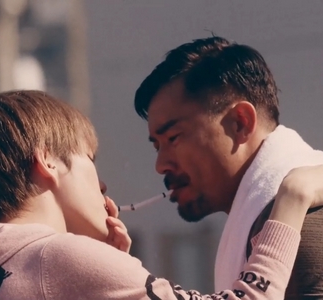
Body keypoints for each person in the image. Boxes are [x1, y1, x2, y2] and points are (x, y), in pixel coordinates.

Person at [0, 90, 320, 300]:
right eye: (88, 158)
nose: (103, 186)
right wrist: (291, 198)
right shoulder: (57, 260)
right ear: (48, 162)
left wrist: (115, 270)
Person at [134, 36, 323, 299]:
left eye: (173, 138)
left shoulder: (302, 225)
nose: (160, 165)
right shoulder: (285, 208)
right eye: (157, 146)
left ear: (240, 123)